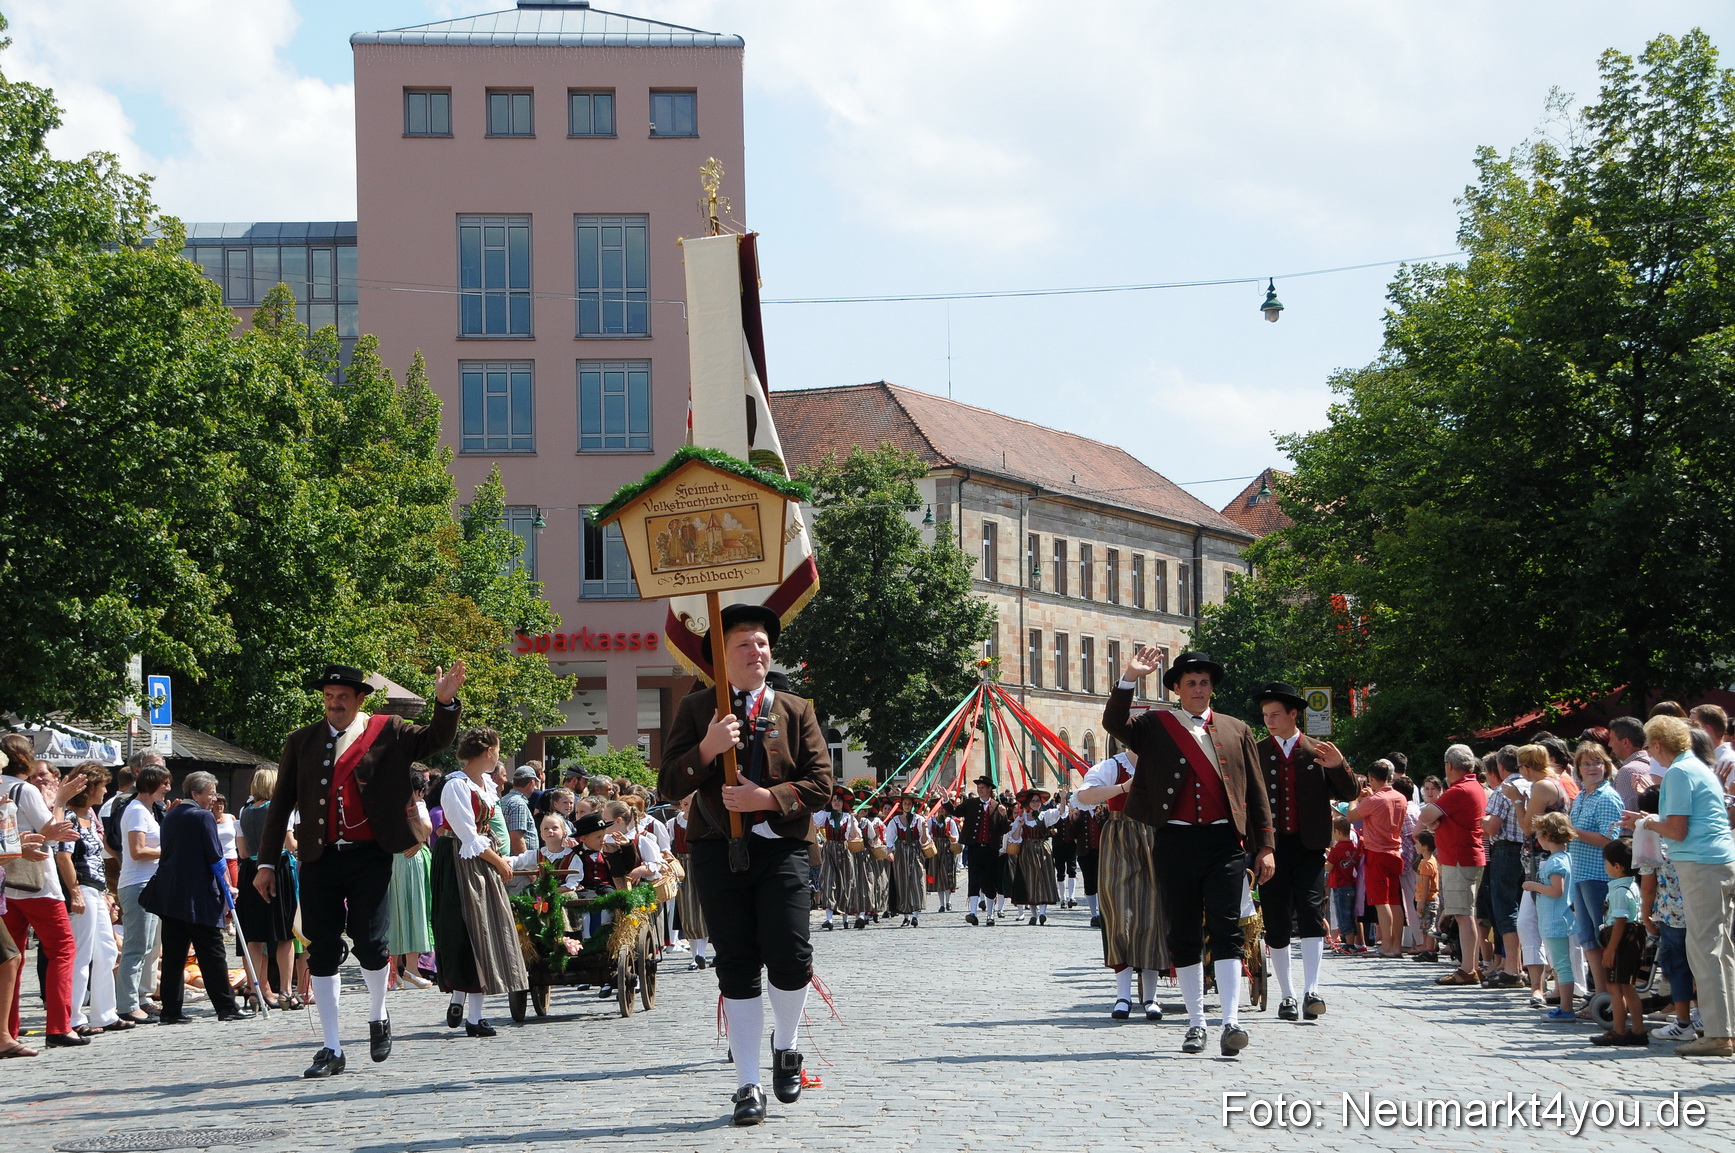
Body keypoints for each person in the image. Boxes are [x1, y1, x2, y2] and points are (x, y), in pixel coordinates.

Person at [658, 602, 833, 1126]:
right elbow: (669, 783)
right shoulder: (696, 710)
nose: (756, 651)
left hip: (780, 849)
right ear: (721, 657)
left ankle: (788, 1045)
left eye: (761, 642)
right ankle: (747, 1083)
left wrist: (768, 798)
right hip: (718, 850)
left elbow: (821, 785)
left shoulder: (795, 709)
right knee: (735, 963)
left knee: (790, 952)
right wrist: (707, 750)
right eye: (743, 644)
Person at [254, 661, 466, 1079]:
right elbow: (279, 806)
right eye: (329, 697)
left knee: (371, 943)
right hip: (319, 856)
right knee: (323, 949)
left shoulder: (389, 730)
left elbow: (436, 739)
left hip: (370, 853)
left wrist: (445, 702)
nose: (335, 704)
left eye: (343, 698)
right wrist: (264, 863)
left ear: (360, 700)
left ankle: (377, 1014)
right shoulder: (302, 741)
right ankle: (331, 1047)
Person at [1104, 649, 1275, 1058]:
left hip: (1223, 844)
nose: (1199, 689)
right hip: (1175, 842)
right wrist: (1129, 676)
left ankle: (1231, 1021)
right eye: (1190, 683)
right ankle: (1196, 1022)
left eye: (1204, 682)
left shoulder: (1237, 729)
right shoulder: (1157, 725)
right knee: (1183, 934)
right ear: (1176, 689)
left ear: (1212, 688)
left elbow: (1255, 793)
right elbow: (1114, 722)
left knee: (1226, 930)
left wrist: (1265, 846)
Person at [1624, 714, 1735, 1057]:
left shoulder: (1679, 772)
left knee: (1704, 949)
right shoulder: (1699, 765)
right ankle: (1725, 1028)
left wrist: (1647, 822)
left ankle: (1718, 1034)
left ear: (1657, 745)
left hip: (1702, 864)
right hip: (1719, 861)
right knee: (1722, 949)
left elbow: (1677, 830)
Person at [431, 727, 530, 1039]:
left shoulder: (485, 784)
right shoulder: (455, 786)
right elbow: (466, 835)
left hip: (481, 859)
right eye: (498, 749)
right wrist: (499, 860)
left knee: (484, 929)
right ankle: (464, 1004)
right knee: (466, 930)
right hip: (459, 862)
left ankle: (472, 1011)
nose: (499, 755)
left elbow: (487, 829)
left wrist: (501, 856)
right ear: (489, 751)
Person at [139, 772, 254, 1025]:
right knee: (212, 952)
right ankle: (226, 1006)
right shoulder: (202, 816)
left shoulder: (172, 815)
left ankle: (171, 1010)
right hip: (197, 896)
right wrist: (227, 886)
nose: (214, 798)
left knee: (173, 955)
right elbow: (215, 856)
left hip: (171, 895)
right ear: (195, 794)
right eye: (210, 793)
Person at [1075, 748, 1167, 1021]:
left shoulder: (1164, 761)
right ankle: (1123, 995)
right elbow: (1082, 797)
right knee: (1118, 915)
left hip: (1154, 837)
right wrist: (1122, 787)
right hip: (1119, 836)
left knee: (1153, 916)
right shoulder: (1113, 766)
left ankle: (1150, 997)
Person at [62, 763, 122, 1037]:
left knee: (107, 950)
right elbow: (63, 856)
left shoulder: (89, 815)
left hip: (95, 888)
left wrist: (106, 893)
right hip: (82, 887)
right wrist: (74, 891)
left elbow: (97, 858)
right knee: (82, 953)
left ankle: (105, 1013)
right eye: (102, 785)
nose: (106, 790)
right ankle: (73, 1016)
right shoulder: (70, 817)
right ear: (89, 788)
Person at [234, 767, 300, 1010]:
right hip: (277, 868)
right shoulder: (280, 810)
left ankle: (256, 990)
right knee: (284, 934)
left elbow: (242, 852)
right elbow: (290, 844)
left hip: (250, 871)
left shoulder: (243, 811)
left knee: (255, 935)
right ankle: (285, 991)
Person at [1419, 745, 1485, 985]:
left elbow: (1426, 815)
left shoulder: (1460, 790)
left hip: (1459, 858)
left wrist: (1435, 823)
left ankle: (1468, 969)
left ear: (1449, 766)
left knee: (1463, 915)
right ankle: (1472, 966)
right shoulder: (1474, 786)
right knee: (1466, 914)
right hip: (1466, 856)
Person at [114, 762, 170, 1026]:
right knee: (136, 946)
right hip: (137, 883)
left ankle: (142, 997)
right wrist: (169, 851)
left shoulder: (148, 810)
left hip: (150, 883)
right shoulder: (136, 810)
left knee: (150, 945)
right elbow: (137, 851)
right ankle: (127, 1003)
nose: (168, 788)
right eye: (165, 784)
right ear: (152, 785)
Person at [1568, 741, 1623, 1001]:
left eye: (1597, 762)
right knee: (1587, 937)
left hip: (1599, 875)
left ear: (1606, 765)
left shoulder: (1607, 796)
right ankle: (1599, 994)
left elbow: (1610, 839)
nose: (1592, 768)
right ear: (1578, 768)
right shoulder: (1582, 795)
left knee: (1601, 936)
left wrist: (1571, 832)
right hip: (1580, 874)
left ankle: (1610, 996)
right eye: (1587, 763)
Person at [1478, 748, 1529, 987]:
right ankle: (1523, 965)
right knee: (1525, 909)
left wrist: (1482, 819)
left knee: (1506, 908)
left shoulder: (1502, 790)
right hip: (1529, 850)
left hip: (1507, 850)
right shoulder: (1533, 785)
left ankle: (1512, 968)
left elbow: (1493, 827)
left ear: (1500, 767)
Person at [1589, 838, 1645, 1047]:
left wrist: (1610, 950)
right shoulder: (1631, 886)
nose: (1605, 867)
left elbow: (1620, 922)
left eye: (1606, 863)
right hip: (1631, 939)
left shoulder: (1620, 892)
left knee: (1615, 988)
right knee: (1628, 987)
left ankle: (1619, 1030)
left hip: (1621, 942)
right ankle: (1638, 1030)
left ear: (1617, 867)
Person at [1525, 812, 1577, 1022]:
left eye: (1539, 835)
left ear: (1548, 836)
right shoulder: (1564, 858)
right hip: (1556, 919)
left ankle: (1566, 1009)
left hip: (1556, 920)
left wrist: (1533, 886)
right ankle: (1565, 1006)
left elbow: (1556, 890)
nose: (1537, 839)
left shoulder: (1556, 862)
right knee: (1560, 964)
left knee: (1561, 965)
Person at [387, 767, 435, 990]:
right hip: (411, 860)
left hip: (391, 860)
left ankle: (394, 972)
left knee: (394, 913)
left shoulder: (385, 802)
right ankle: (412, 970)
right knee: (415, 911)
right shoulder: (415, 804)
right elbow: (427, 826)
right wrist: (419, 840)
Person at [956, 777, 1008, 926]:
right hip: (974, 848)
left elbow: (1004, 830)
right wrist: (946, 800)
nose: (979, 790)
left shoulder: (998, 806)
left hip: (991, 850)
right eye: (978, 787)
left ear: (989, 789)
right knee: (974, 880)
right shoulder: (971, 803)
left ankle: (990, 915)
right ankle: (973, 912)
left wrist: (1004, 816)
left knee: (989, 882)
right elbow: (955, 811)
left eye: (982, 787)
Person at [1008, 789, 1063, 924]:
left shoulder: (1045, 815)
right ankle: (1033, 915)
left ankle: (1043, 913)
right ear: (1028, 803)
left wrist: (1062, 798)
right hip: (1026, 852)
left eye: (1038, 801)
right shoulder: (1022, 818)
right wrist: (1020, 826)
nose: (1035, 803)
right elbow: (1014, 838)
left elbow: (1060, 812)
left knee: (1044, 879)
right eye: (1033, 801)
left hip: (1042, 850)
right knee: (1029, 881)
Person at [814, 788, 860, 931]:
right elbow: (813, 818)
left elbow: (854, 835)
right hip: (829, 849)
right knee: (828, 881)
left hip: (844, 850)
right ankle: (829, 919)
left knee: (846, 882)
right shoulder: (826, 815)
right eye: (834, 800)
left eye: (839, 800)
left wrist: (853, 819)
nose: (837, 803)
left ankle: (845, 918)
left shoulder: (847, 817)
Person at [1324, 818, 1361, 950]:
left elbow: (1329, 867)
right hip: (1351, 883)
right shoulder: (1354, 846)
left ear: (1337, 832)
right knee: (1350, 914)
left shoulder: (1337, 848)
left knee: (1343, 915)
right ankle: (1352, 942)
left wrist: (1326, 860)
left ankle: (1349, 945)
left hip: (1340, 885)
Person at [1413, 830, 1440, 962]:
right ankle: (1427, 949)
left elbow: (1426, 885)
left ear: (1425, 846)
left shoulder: (1426, 863)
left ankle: (1430, 951)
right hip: (1429, 899)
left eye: (1417, 843)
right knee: (1425, 925)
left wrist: (1421, 902)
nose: (1415, 846)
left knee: (1429, 926)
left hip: (1428, 899)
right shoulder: (1430, 860)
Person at [927, 801, 960, 912]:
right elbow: (927, 835)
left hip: (947, 850)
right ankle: (941, 904)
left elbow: (956, 838)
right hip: (936, 851)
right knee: (938, 877)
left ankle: (948, 902)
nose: (941, 810)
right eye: (939, 808)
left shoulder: (950, 821)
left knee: (947, 875)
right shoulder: (932, 821)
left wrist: (950, 836)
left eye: (943, 808)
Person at [212, 794, 240, 892]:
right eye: (216, 803)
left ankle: (232, 907)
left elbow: (239, 836)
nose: (219, 806)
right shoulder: (208, 819)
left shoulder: (230, 818)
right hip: (216, 859)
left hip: (231, 858)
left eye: (222, 803)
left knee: (233, 888)